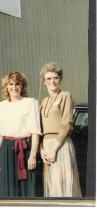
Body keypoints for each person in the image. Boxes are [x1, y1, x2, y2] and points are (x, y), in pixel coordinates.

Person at [0, 71, 41, 197]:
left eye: (17, 84)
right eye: (11, 84)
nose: (14, 87)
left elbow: (35, 132)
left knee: (27, 188)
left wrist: (33, 156)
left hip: (25, 149)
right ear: (6, 86)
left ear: (22, 86)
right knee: (7, 189)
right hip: (6, 150)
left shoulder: (31, 102)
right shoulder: (1, 106)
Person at [39, 62, 82, 197]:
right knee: (52, 185)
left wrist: (54, 149)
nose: (52, 81)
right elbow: (39, 129)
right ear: (44, 81)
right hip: (46, 146)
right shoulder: (43, 101)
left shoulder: (65, 95)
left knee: (65, 186)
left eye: (55, 78)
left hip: (60, 144)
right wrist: (42, 150)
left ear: (60, 79)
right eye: (49, 78)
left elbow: (66, 124)